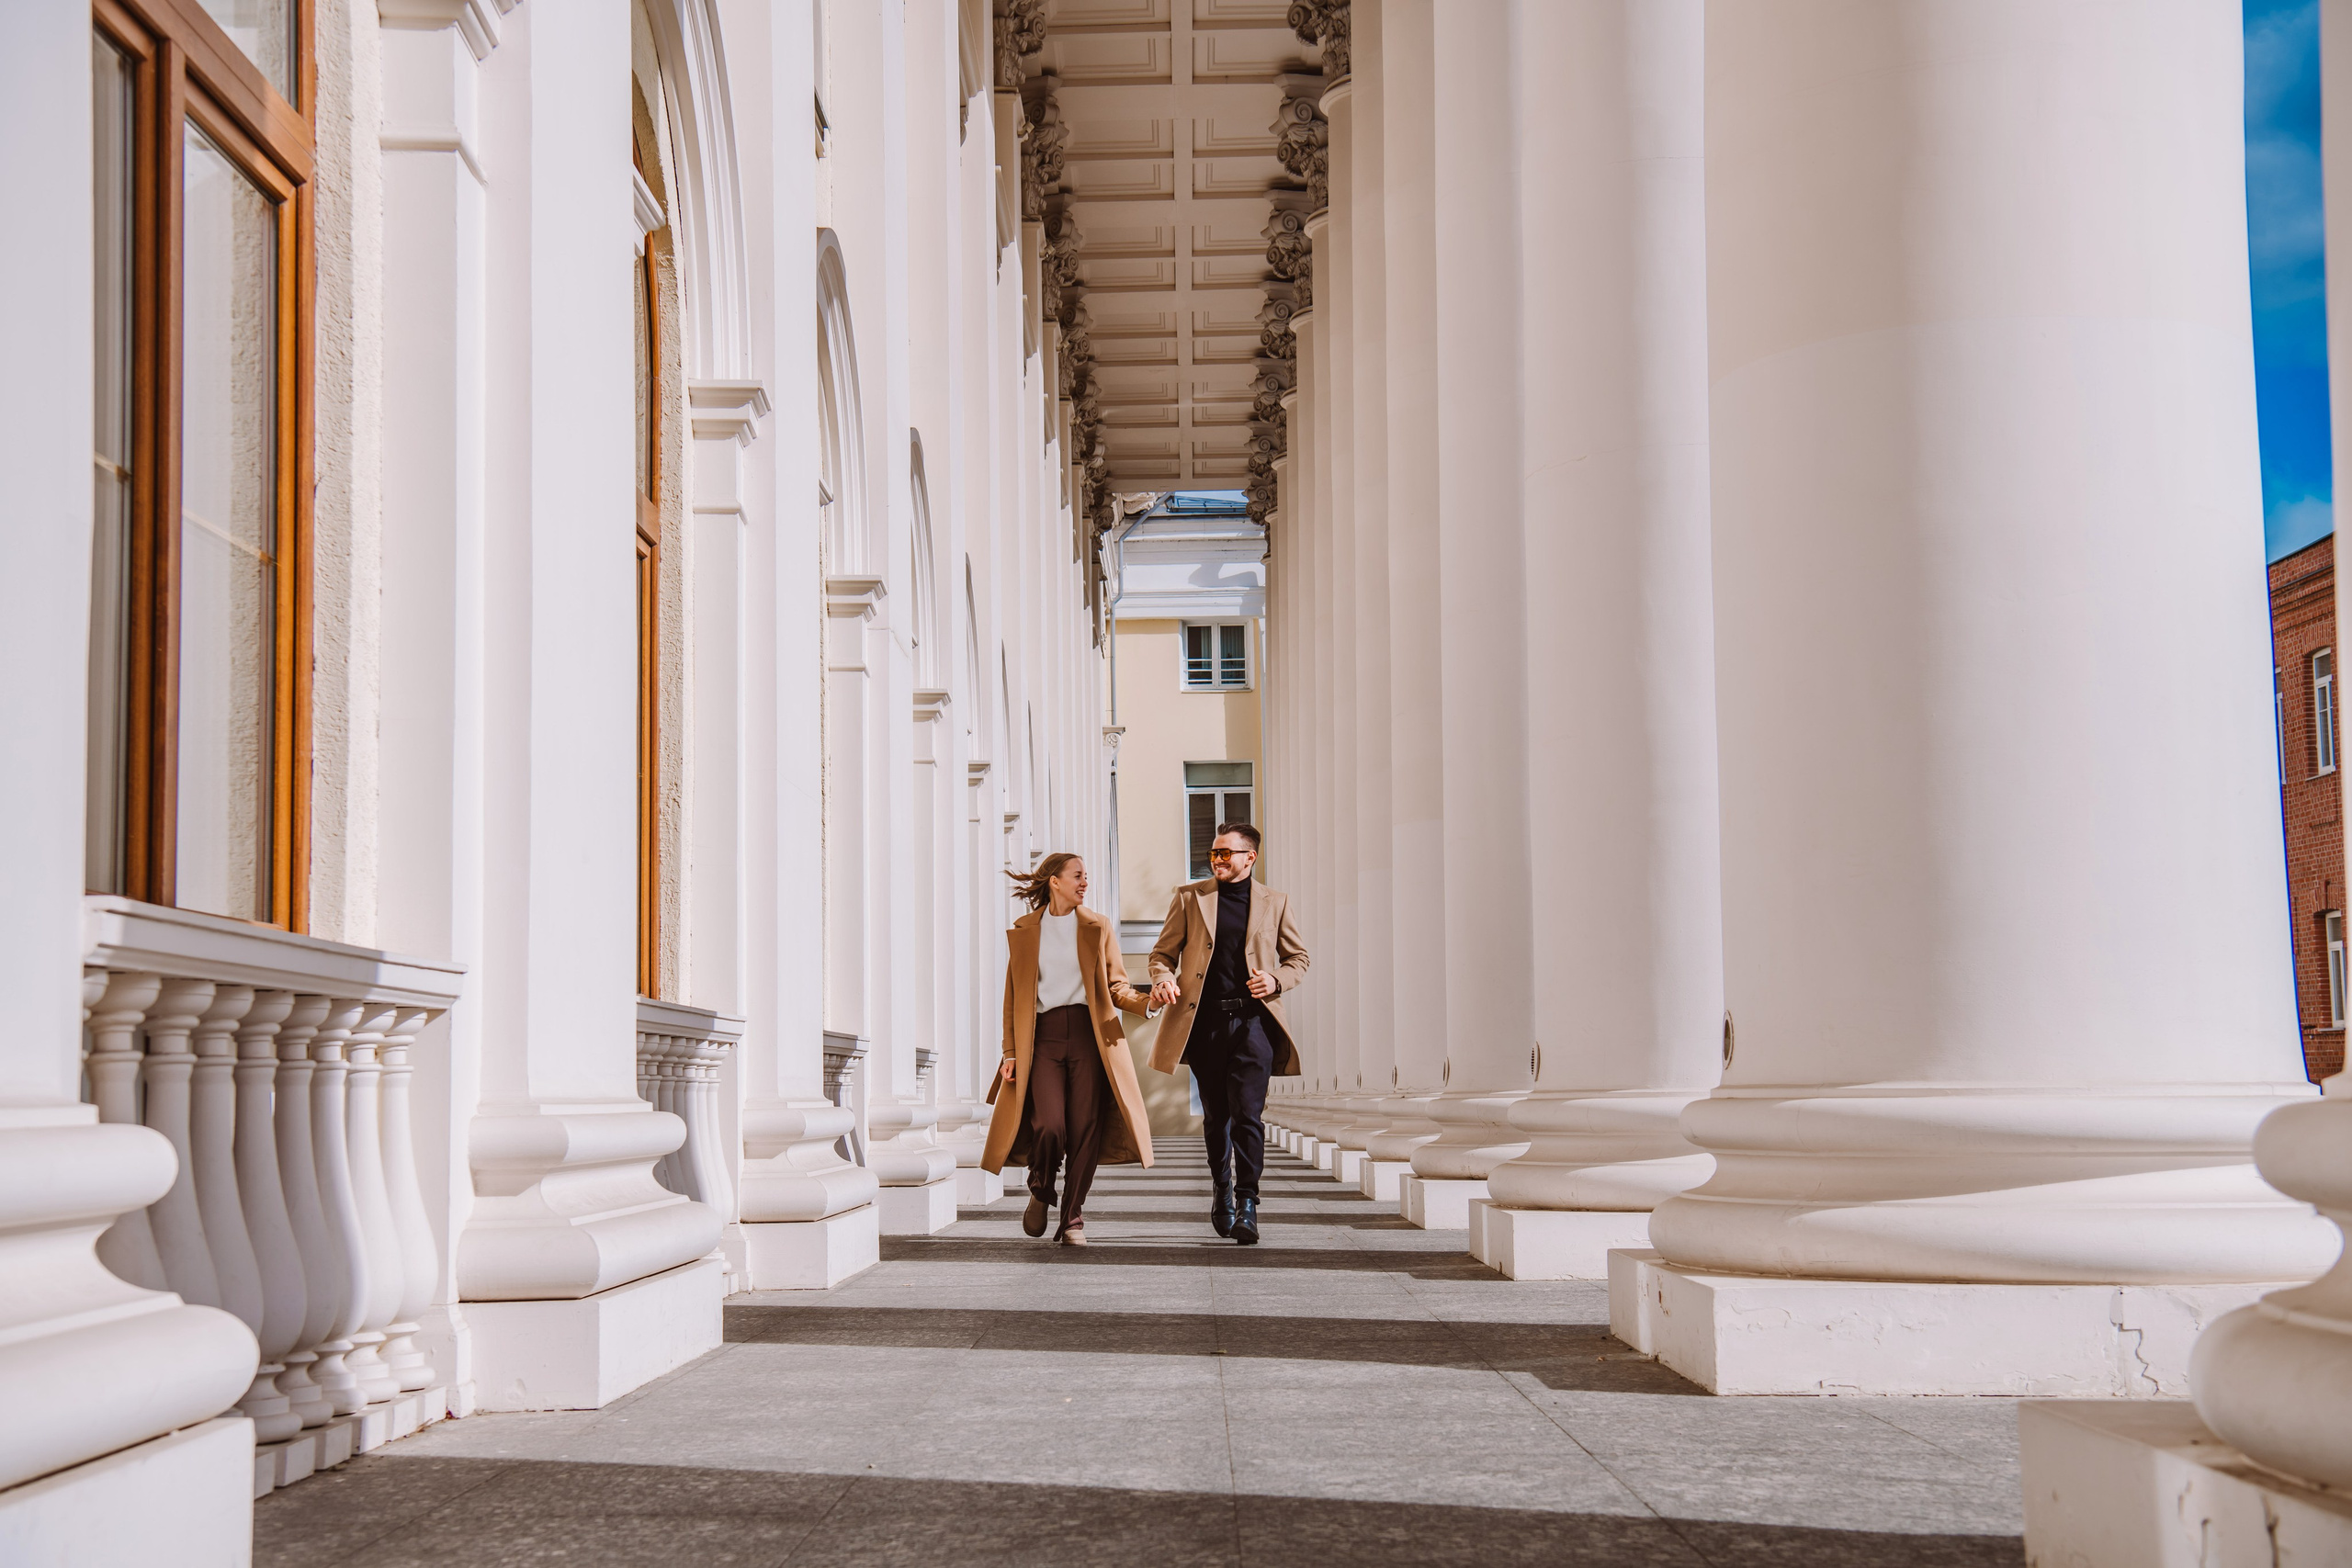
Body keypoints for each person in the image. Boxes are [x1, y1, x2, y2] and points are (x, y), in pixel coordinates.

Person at [1145, 824, 1310, 1245]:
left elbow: (1298, 958)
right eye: (1213, 853)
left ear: (1249, 857)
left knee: (1248, 1116)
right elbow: (1162, 954)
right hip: (1205, 1025)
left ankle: (1248, 1201)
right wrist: (1163, 977)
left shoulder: (1276, 902)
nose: (1217, 860)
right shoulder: (1189, 898)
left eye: (1225, 854)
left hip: (1255, 1023)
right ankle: (1221, 1190)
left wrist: (1275, 980)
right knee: (1217, 1116)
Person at [980, 852, 1157, 1246]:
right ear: (1055, 881)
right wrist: (1010, 1053)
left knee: (1085, 1130)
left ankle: (1073, 1218)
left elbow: (1116, 985)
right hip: (1041, 1039)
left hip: (1089, 1036)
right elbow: (1014, 997)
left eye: (1086, 877)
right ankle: (1041, 1188)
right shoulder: (1027, 930)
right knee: (1049, 1126)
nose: (1084, 883)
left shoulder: (1098, 926)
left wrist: (1147, 1003)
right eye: (1077, 876)